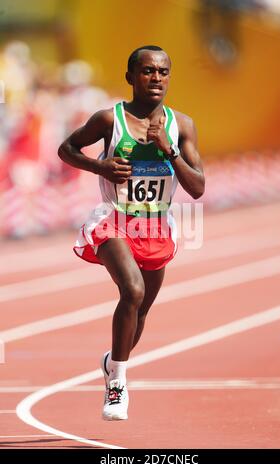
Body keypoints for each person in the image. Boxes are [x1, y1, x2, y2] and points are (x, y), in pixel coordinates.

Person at [58, 45, 205, 421]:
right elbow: (67, 148)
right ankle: (118, 383)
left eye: (162, 72)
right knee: (133, 290)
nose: (156, 78)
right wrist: (100, 167)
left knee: (140, 312)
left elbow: (198, 187)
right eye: (146, 71)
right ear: (130, 77)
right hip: (115, 220)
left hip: (156, 225)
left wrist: (168, 150)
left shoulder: (181, 125)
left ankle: (112, 361)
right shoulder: (109, 120)